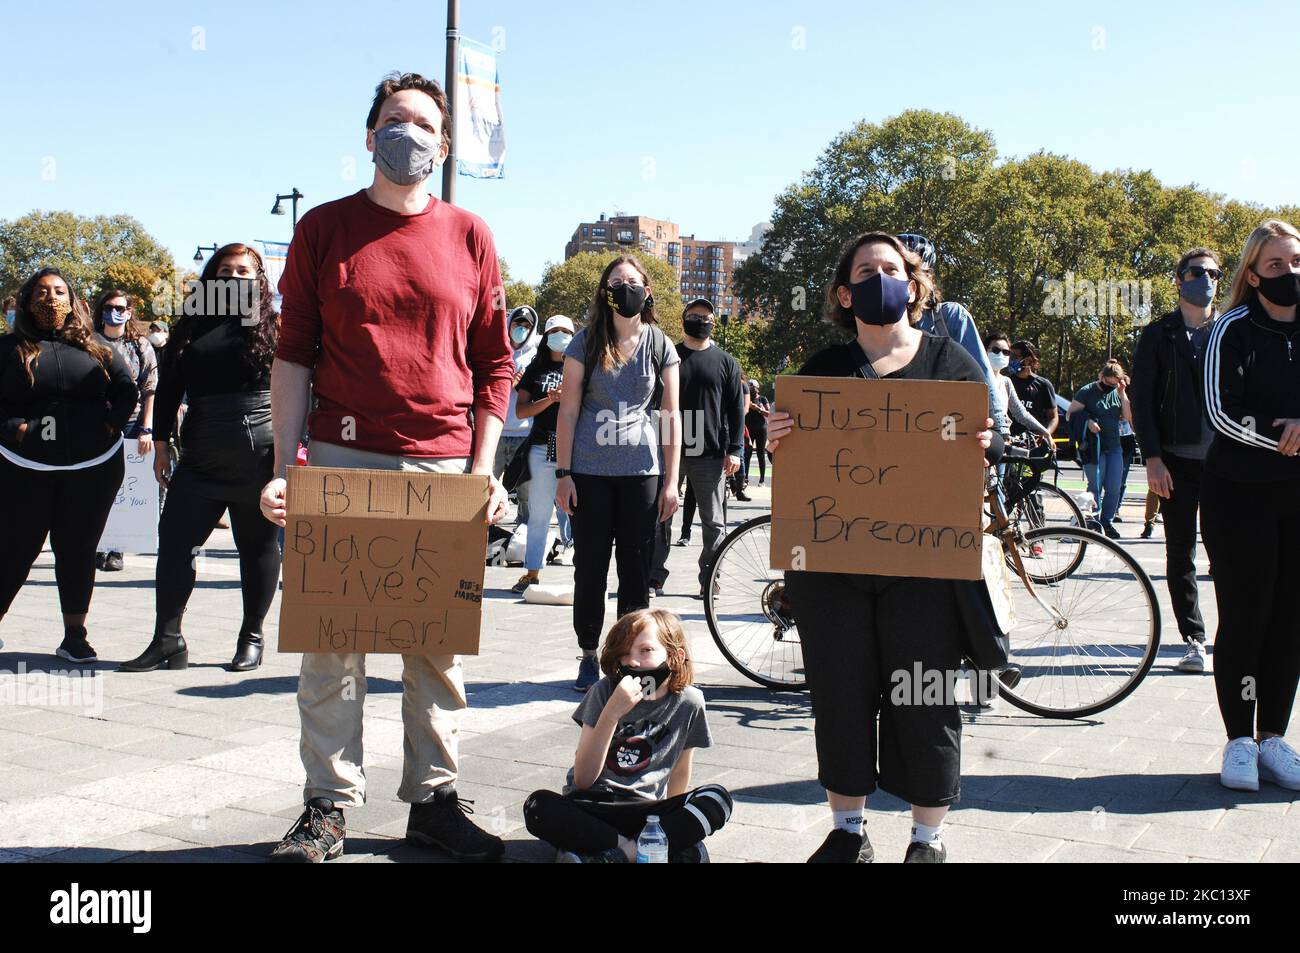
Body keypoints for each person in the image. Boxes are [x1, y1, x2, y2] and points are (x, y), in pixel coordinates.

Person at [258, 72, 514, 862]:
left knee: (435, 647)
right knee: (332, 644)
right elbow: (293, 355)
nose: (411, 134)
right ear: (369, 137)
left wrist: (482, 471)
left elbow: (495, 364)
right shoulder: (324, 230)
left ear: (444, 147)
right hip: (340, 458)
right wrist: (283, 467)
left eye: (426, 124)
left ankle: (434, 799)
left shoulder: (470, 234)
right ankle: (327, 804)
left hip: (441, 464)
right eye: (396, 120)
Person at [765, 232, 995, 863]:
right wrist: (776, 434)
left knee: (925, 696)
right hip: (834, 568)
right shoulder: (820, 372)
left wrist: (983, 444)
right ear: (845, 293)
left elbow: (987, 449)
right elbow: (789, 459)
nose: (880, 277)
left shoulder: (953, 365)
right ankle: (847, 830)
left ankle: (928, 838)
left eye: (891, 268)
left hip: (924, 567)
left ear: (914, 284)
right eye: (865, 270)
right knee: (839, 695)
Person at [118, 245, 281, 674]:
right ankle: (167, 639)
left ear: (259, 277)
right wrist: (163, 441)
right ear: (210, 276)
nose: (233, 276)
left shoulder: (277, 325)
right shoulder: (191, 324)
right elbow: (170, 385)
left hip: (259, 451)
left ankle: (251, 636)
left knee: (257, 546)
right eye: (224, 270)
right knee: (175, 546)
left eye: (244, 271)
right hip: (200, 450)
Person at [1201, 219, 1300, 793]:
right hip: (1239, 494)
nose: (1289, 274)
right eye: (1277, 266)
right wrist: (1284, 438)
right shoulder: (1231, 329)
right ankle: (1240, 738)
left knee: (1290, 618)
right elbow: (1220, 411)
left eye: (1296, 262)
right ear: (1253, 275)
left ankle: (1276, 737)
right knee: (1246, 616)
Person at [555, 255, 681, 692]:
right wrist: (563, 472)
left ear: (646, 291)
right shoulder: (585, 342)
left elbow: (670, 415)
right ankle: (589, 653)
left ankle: (632, 657)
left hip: (641, 472)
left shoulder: (661, 343)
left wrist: (670, 482)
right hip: (589, 472)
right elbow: (567, 410)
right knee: (590, 566)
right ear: (604, 292)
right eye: (616, 281)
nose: (624, 287)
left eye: (632, 281)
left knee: (635, 568)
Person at [0, 268, 138, 662]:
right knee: (13, 549)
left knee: (77, 550)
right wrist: (17, 429)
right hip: (22, 466)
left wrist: (112, 425)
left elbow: (127, 387)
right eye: (42, 292)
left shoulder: (96, 346)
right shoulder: (8, 349)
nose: (51, 298)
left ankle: (75, 636)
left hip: (92, 467)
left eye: (59, 291)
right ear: (27, 301)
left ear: (72, 299)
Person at [522, 608, 733, 862]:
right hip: (594, 805)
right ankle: (631, 851)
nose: (632, 661)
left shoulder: (689, 702)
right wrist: (612, 712)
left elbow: (680, 771)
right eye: (624, 654)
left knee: (717, 798)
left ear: (675, 657)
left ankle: (606, 854)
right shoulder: (604, 691)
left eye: (645, 651)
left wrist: (677, 823)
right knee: (538, 805)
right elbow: (583, 779)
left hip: (646, 812)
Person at [1130, 248, 1219, 672]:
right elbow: (1141, 401)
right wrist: (1152, 458)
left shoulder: (1230, 331)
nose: (1206, 279)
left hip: (1228, 464)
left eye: (1214, 273)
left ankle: (1235, 637)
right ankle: (1194, 639)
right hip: (1175, 463)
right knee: (1180, 552)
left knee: (1231, 553)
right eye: (1197, 272)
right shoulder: (1158, 334)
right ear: (1179, 280)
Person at [647, 297, 743, 600]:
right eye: (693, 315)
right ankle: (654, 577)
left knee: (713, 521)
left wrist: (736, 450)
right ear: (684, 318)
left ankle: (709, 579)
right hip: (667, 450)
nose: (699, 319)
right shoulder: (668, 356)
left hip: (711, 453)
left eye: (705, 315)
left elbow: (736, 410)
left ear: (713, 322)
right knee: (661, 515)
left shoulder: (727, 362)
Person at [91, 289, 158, 572]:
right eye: (108, 306)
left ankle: (116, 547)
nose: (114, 311)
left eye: (120, 307)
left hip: (130, 424)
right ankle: (97, 544)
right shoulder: (89, 342)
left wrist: (147, 427)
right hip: (95, 422)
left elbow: (150, 388)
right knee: (95, 487)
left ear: (129, 312)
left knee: (122, 487)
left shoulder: (140, 345)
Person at [511, 314, 576, 593]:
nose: (560, 336)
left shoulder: (582, 368)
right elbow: (521, 411)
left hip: (574, 449)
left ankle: (584, 571)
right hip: (542, 446)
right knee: (539, 514)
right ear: (546, 335)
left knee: (577, 513)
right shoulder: (534, 370)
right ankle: (532, 571)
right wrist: (548, 399)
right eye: (555, 331)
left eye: (566, 331)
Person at [898, 232, 998, 397]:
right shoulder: (876, 321)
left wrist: (998, 422)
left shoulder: (952, 317)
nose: (910, 284)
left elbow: (984, 381)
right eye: (903, 275)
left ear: (930, 278)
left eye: (917, 276)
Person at [1068, 360, 1132, 538]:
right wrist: (1088, 421)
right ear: (1101, 376)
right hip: (1093, 447)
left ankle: (1107, 522)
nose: (1110, 387)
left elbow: (1126, 417)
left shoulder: (1117, 392)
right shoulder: (1087, 391)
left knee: (1114, 487)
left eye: (1114, 384)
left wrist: (1122, 393)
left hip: (1114, 446)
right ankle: (1092, 521)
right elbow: (1070, 414)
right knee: (1095, 485)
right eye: (1108, 383)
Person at [496, 305, 539, 528]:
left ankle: (523, 541)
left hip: (525, 433)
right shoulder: (497, 349)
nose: (520, 329)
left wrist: (525, 384)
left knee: (526, 493)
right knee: (487, 490)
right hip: (497, 432)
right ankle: (485, 537)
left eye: (526, 326)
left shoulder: (537, 356)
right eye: (517, 324)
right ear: (509, 324)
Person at [985, 332, 1050, 442]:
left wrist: (1045, 432)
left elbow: (1020, 413)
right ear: (985, 351)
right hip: (984, 438)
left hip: (1003, 439)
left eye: (1006, 352)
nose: (1001, 355)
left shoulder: (1006, 382)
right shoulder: (977, 378)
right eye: (995, 350)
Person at [1008, 341, 1059, 437]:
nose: (1010, 360)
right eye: (1009, 356)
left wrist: (1045, 434)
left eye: (1014, 357)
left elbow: (1053, 417)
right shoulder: (1006, 381)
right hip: (1008, 439)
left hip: (1033, 441)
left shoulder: (1043, 385)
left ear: (1028, 360)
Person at [744, 377, 770, 486]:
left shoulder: (763, 399)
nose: (752, 389)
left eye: (753, 387)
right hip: (749, 428)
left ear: (758, 388)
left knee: (760, 453)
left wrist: (758, 408)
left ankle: (762, 479)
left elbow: (768, 413)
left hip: (761, 429)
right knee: (747, 453)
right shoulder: (746, 399)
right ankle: (745, 478)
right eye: (749, 387)